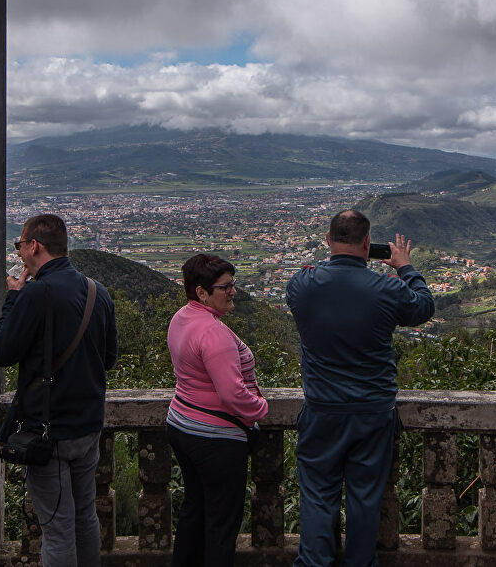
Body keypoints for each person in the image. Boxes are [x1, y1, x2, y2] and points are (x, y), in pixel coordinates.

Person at [287, 209, 435, 567]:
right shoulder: (387, 288)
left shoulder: (301, 285)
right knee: (365, 498)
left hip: (322, 410)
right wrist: (405, 267)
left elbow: (312, 285)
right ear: (368, 243)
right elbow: (423, 307)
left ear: (328, 240)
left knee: (317, 496)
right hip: (372, 412)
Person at [0, 214, 118, 567]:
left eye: (19, 244)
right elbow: (109, 359)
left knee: (57, 529)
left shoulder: (35, 294)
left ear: (35, 245)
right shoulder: (97, 291)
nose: (19, 252)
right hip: (89, 425)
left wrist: (12, 299)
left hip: (49, 429)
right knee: (85, 518)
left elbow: (2, 352)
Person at [165, 254, 269, 566]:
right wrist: (261, 407)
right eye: (225, 287)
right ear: (202, 292)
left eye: (232, 284)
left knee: (194, 510)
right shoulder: (213, 333)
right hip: (215, 438)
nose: (233, 291)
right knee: (222, 523)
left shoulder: (181, 318)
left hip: (182, 423)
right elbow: (232, 393)